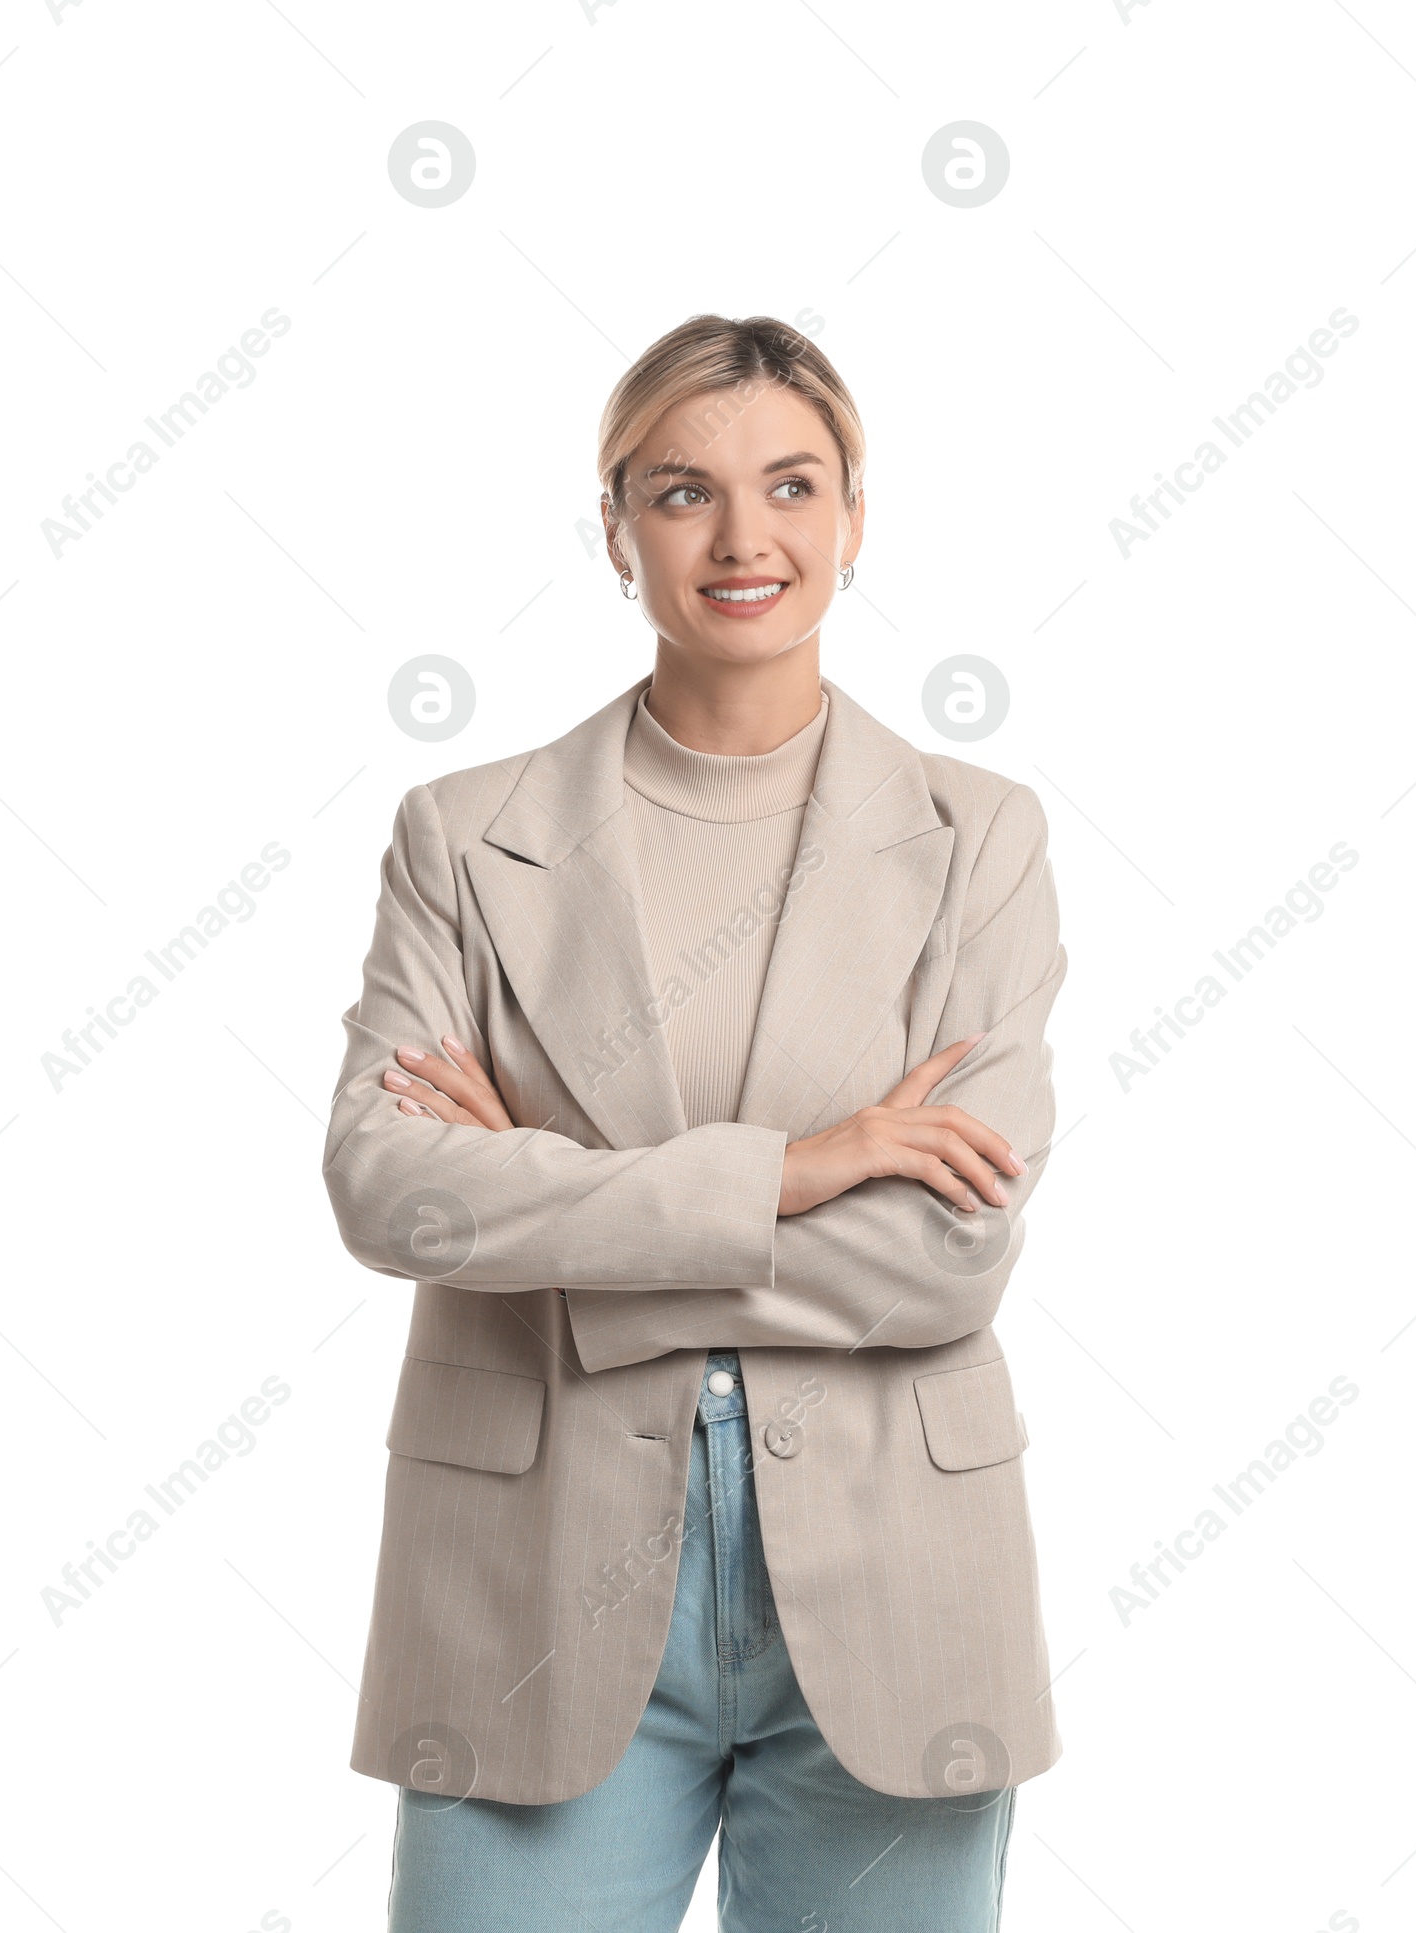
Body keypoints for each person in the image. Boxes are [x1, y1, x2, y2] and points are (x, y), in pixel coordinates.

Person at [322, 313, 1068, 1932]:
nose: (744, 538)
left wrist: (556, 1197)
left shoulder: (977, 836)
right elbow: (392, 1191)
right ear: (613, 529)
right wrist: (801, 1169)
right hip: (523, 1570)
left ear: (855, 518)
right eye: (681, 491)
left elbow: (947, 1261)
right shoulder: (465, 838)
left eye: (792, 484)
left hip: (896, 1573)